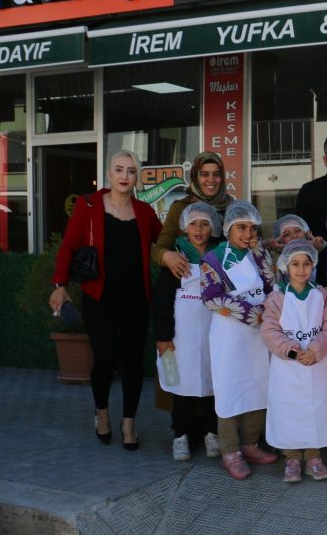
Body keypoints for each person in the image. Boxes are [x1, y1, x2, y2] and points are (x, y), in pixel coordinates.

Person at [51, 150, 163, 451]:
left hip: (136, 297)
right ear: (109, 175)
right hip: (98, 295)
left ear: (136, 177)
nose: (125, 176)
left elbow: (163, 243)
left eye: (130, 171)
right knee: (104, 359)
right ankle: (101, 414)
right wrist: (60, 285)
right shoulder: (88, 206)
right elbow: (68, 246)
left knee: (132, 361)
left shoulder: (144, 212)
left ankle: (129, 422)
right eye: (119, 170)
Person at [200, 200, 278, 480]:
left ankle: (250, 444)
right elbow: (212, 298)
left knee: (258, 387)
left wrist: (260, 252)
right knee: (231, 392)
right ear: (228, 229)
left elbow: (272, 285)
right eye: (241, 228)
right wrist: (254, 315)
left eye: (251, 228)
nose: (247, 233)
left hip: (258, 339)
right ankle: (230, 451)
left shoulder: (257, 255)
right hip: (229, 337)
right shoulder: (213, 259)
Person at [261, 241, 327, 483]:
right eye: (295, 264)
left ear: (313, 265)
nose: (301, 269)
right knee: (289, 411)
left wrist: (316, 349)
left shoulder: (322, 294)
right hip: (287, 367)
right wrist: (292, 351)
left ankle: (314, 457)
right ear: (286, 266)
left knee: (316, 411)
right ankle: (292, 458)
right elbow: (269, 331)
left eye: (306, 264)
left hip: (317, 365)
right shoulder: (276, 298)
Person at [152, 202, 220, 461]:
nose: (199, 229)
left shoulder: (218, 257)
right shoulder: (176, 258)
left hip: (213, 338)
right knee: (180, 388)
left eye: (204, 223)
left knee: (212, 387)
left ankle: (212, 434)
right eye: (193, 224)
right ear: (184, 227)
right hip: (180, 340)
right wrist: (163, 335)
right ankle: (179, 436)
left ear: (212, 226)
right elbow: (162, 302)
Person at [153, 151, 231, 281]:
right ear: (195, 176)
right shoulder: (180, 208)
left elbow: (251, 241)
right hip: (187, 283)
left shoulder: (232, 209)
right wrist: (166, 256)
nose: (211, 180)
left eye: (216, 174)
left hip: (225, 285)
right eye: (205, 174)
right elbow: (158, 249)